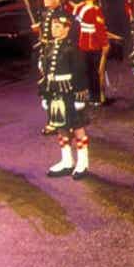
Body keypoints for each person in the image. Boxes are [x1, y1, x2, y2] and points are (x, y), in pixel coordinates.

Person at [40, 10, 91, 179]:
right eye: (52, 26)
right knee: (61, 127)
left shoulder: (72, 49)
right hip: (55, 94)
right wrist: (45, 96)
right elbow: (46, 75)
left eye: (57, 26)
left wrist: (79, 96)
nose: (54, 29)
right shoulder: (49, 47)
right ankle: (67, 161)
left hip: (70, 93)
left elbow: (80, 73)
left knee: (77, 128)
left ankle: (82, 163)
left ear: (67, 28)